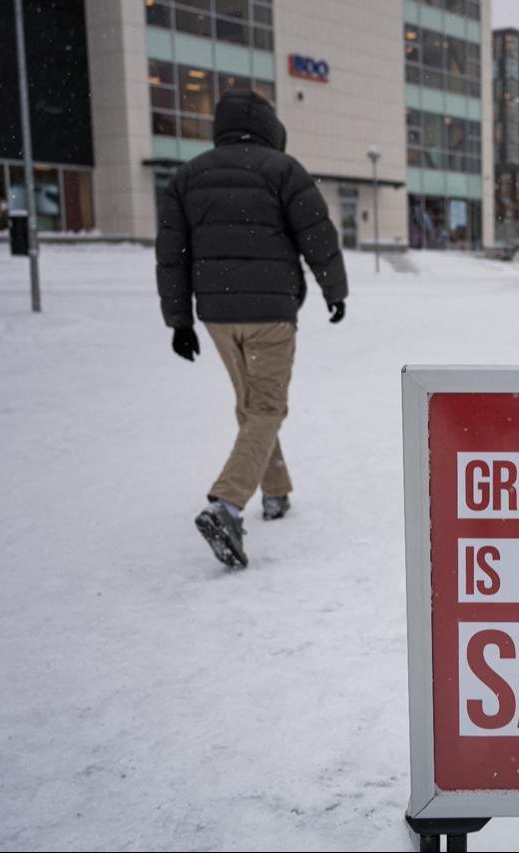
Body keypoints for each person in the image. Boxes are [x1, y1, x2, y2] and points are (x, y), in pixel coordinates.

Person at [156, 89, 347, 569]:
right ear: (269, 126)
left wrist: (179, 321)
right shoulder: (282, 170)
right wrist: (334, 290)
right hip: (270, 314)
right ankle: (226, 505)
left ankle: (276, 492)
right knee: (266, 407)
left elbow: (171, 256)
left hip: (217, 317)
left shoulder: (188, 177)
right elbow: (318, 235)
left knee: (251, 406)